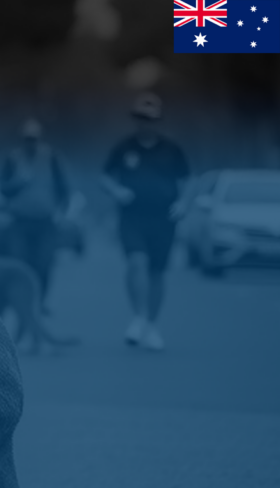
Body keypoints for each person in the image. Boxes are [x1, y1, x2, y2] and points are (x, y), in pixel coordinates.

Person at [103, 93, 189, 351]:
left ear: (157, 121)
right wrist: (116, 191)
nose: (145, 123)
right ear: (135, 120)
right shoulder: (124, 147)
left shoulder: (171, 148)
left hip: (163, 217)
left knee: (156, 271)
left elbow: (187, 180)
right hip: (132, 216)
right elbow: (104, 176)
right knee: (136, 262)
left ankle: (151, 324)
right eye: (141, 118)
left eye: (150, 119)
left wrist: (183, 203)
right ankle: (138, 316)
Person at [0, 118, 71, 308]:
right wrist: (17, 183)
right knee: (19, 263)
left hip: (45, 221)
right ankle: (19, 300)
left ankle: (39, 301)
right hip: (20, 221)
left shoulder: (52, 157)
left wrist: (62, 213)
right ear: (22, 139)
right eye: (27, 139)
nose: (30, 142)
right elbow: (2, 188)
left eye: (34, 139)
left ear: (39, 138)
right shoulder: (12, 158)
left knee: (44, 264)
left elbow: (64, 188)